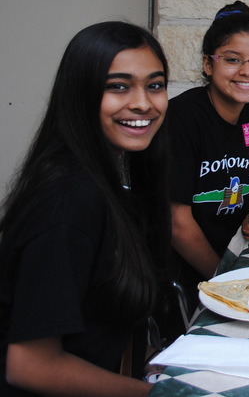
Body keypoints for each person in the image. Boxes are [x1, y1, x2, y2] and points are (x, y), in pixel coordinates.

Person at [0, 22, 171, 396]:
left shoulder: (110, 178)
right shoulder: (67, 201)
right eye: (118, 86)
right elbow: (30, 366)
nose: (143, 103)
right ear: (80, 93)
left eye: (155, 85)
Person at [167, 2, 249, 318]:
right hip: (192, 274)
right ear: (208, 64)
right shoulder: (182, 120)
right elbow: (176, 223)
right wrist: (223, 277)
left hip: (238, 258)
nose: (247, 71)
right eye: (232, 60)